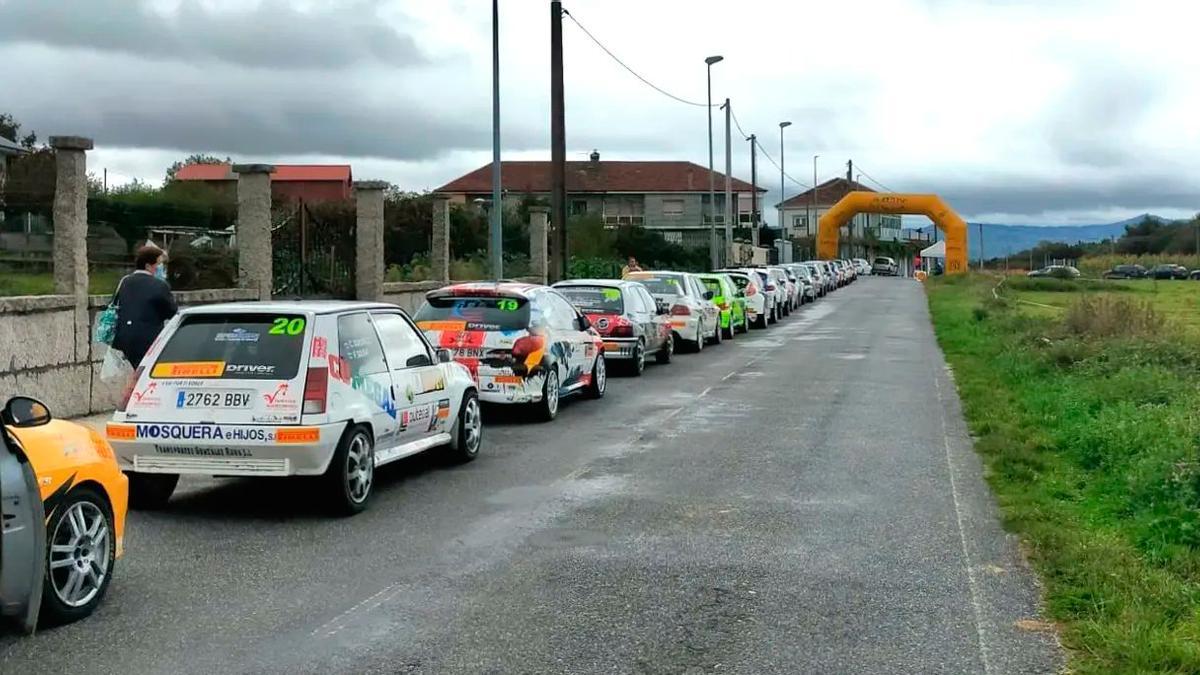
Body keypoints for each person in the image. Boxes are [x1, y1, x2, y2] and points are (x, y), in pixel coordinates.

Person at [112, 244, 178, 368]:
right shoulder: (159, 285)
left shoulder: (125, 281)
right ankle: (132, 388)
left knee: (138, 371)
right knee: (146, 373)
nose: (161, 268)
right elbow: (172, 311)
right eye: (158, 265)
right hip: (148, 339)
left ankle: (132, 386)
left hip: (124, 338)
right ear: (148, 265)